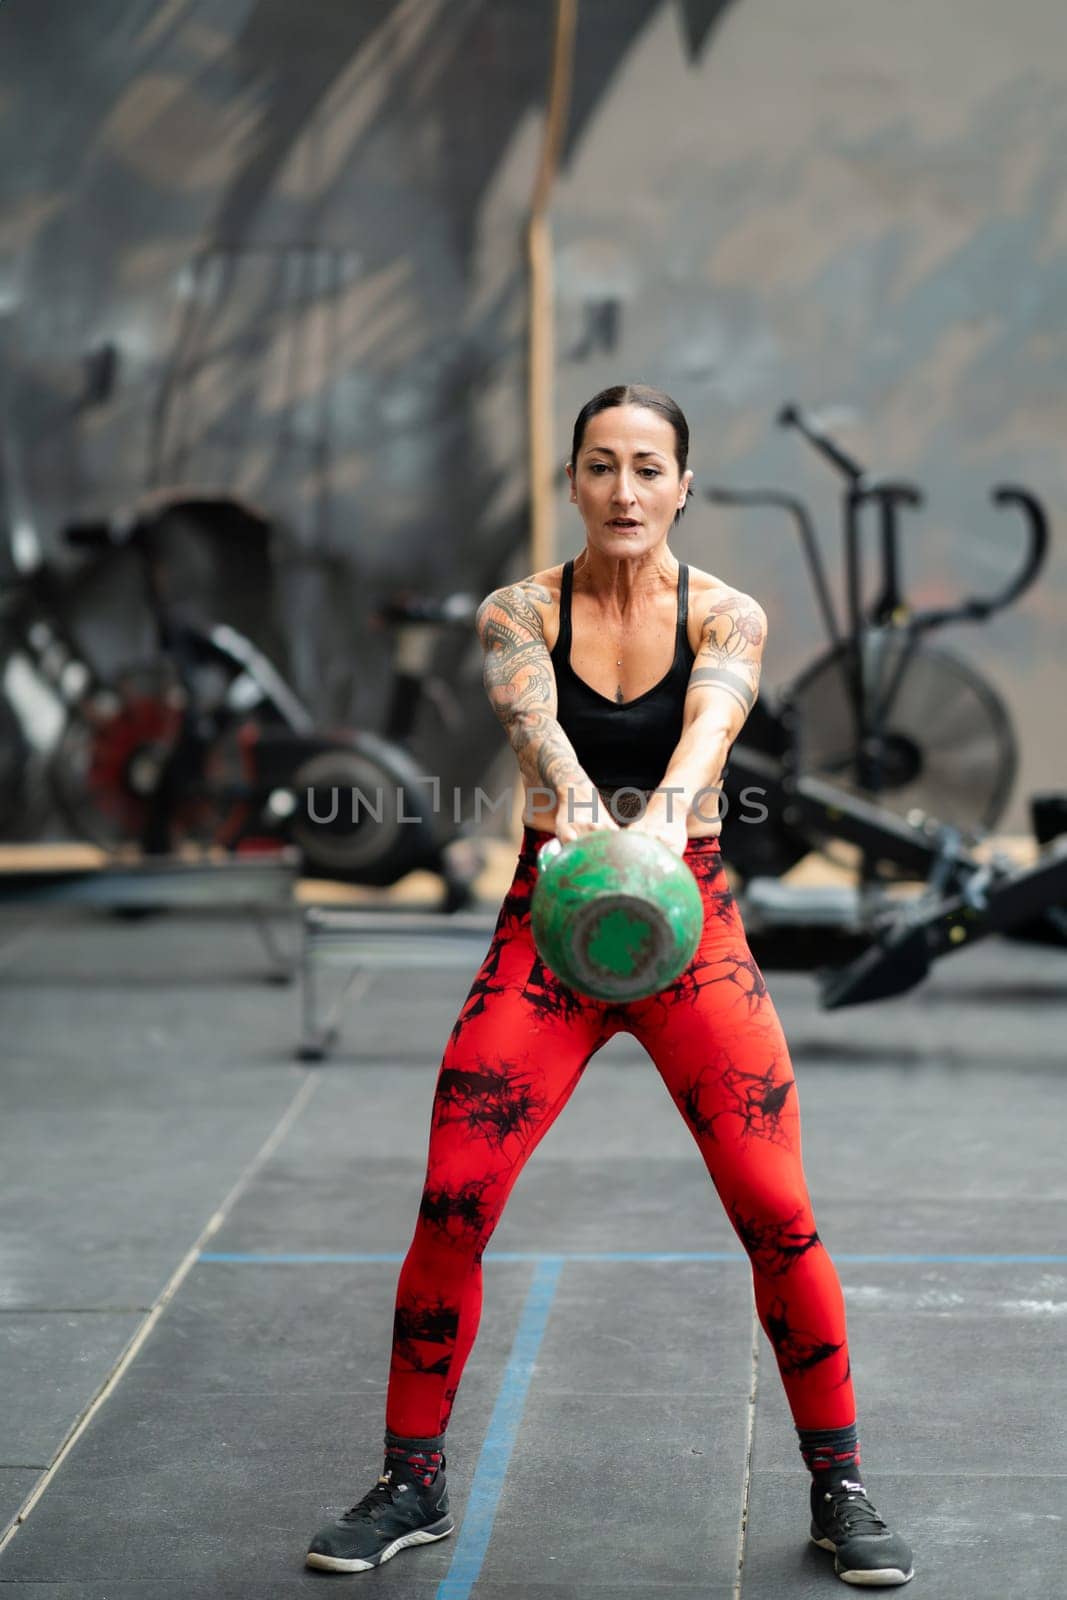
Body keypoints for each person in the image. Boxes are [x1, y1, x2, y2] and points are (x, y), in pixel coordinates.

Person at [306, 384, 914, 1587]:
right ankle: (408, 1478)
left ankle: (839, 1483)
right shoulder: (516, 612)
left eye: (648, 468)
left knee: (772, 1206)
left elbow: (702, 749)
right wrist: (598, 837)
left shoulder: (726, 614)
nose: (624, 490)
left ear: (683, 484)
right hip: (553, 916)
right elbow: (550, 759)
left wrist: (662, 830)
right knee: (452, 1199)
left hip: (688, 919)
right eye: (600, 466)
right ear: (573, 483)